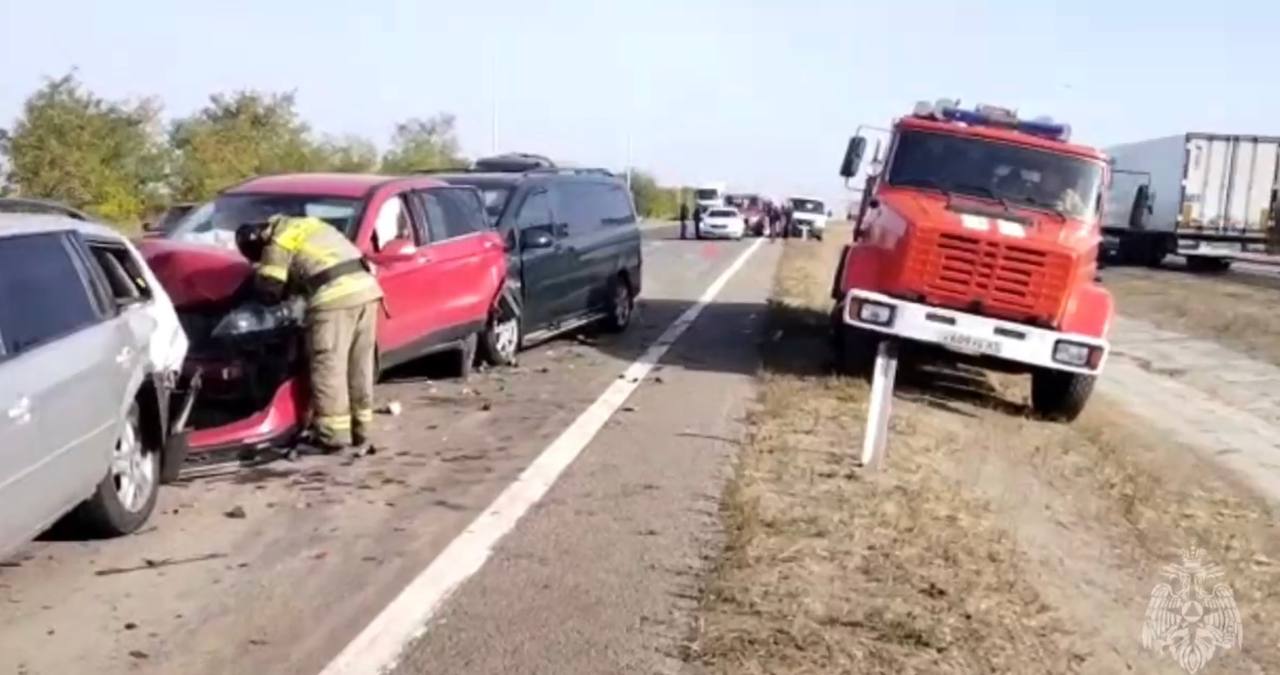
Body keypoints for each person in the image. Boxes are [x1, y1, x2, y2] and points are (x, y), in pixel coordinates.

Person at [236, 215, 384, 455]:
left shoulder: (278, 241)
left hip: (335, 299)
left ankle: (331, 437)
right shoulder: (307, 225)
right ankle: (361, 431)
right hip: (368, 292)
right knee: (359, 365)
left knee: (329, 365)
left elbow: (269, 289)